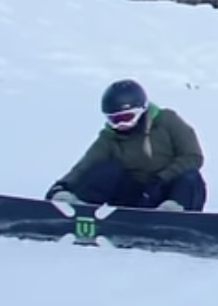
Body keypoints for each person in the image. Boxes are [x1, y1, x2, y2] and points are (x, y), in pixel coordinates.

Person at [45, 79, 208, 211]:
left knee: (190, 177)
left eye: (127, 117)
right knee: (107, 169)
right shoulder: (110, 137)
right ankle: (80, 210)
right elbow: (87, 165)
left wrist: (161, 179)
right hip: (133, 197)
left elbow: (193, 156)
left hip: (166, 193)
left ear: (141, 109)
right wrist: (62, 185)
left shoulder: (167, 121)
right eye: (115, 120)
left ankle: (171, 215)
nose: (121, 125)